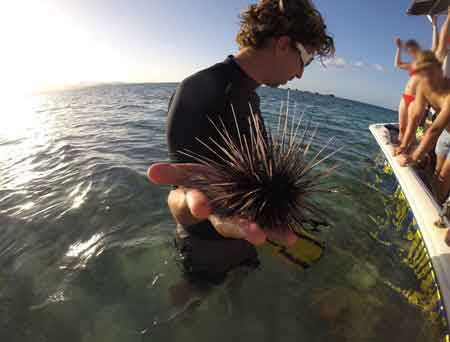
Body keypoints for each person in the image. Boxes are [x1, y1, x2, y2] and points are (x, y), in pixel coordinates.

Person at [148, 0, 335, 284]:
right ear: (283, 44)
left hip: (247, 234)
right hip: (206, 245)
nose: (300, 73)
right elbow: (184, 190)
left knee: (240, 290)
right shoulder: (198, 91)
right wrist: (188, 207)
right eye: (305, 59)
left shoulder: (249, 96)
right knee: (194, 301)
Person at [397, 51, 450, 204]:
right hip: (446, 135)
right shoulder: (423, 87)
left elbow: (434, 130)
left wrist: (413, 157)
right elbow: (414, 118)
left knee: (445, 174)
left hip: (442, 130)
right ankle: (438, 205)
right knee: (437, 176)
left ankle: (441, 213)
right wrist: (404, 145)